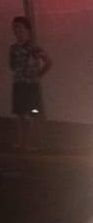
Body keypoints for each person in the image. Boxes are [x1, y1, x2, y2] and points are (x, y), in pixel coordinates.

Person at [9, 16, 51, 151]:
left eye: (20, 28)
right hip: (19, 84)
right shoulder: (13, 48)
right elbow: (12, 65)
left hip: (30, 85)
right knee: (20, 113)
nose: (17, 31)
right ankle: (22, 143)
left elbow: (48, 61)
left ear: (27, 30)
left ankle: (32, 143)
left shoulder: (32, 47)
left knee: (31, 113)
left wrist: (38, 74)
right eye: (15, 28)